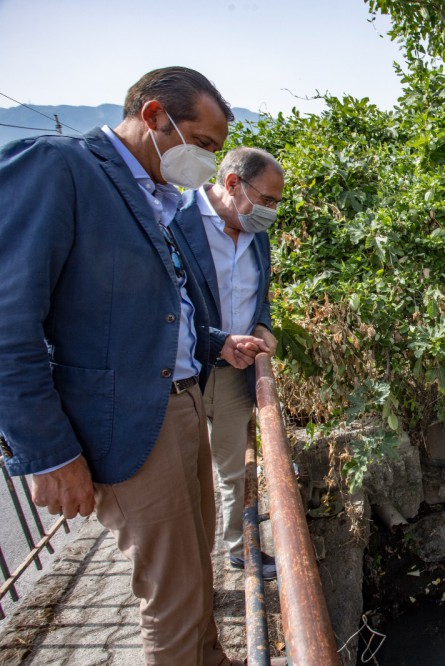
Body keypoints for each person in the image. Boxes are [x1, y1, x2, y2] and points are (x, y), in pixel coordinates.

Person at [0, 66, 270, 665]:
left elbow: (150, 310)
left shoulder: (152, 195)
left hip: (180, 402)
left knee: (195, 569)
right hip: (130, 423)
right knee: (172, 595)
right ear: (153, 116)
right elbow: (7, 324)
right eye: (201, 143)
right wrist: (49, 454)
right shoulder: (60, 169)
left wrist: (217, 341)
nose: (203, 161)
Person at [172, 147, 283, 580]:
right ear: (232, 183)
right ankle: (189, 567)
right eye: (267, 200)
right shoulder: (174, 223)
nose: (271, 212)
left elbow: (261, 296)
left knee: (234, 469)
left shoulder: (258, 237)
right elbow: (168, 304)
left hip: (237, 375)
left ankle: (239, 549)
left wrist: (262, 325)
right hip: (186, 374)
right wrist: (218, 342)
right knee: (184, 475)